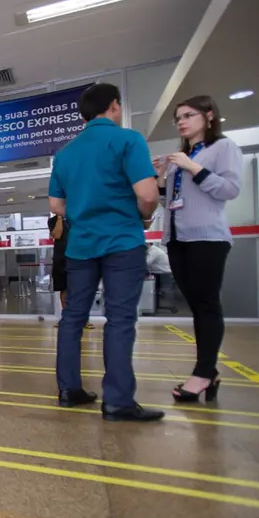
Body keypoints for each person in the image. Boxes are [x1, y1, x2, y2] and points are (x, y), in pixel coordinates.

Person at [48, 82, 163, 422]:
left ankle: (69, 390)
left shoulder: (65, 153)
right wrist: (142, 215)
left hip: (81, 246)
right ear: (114, 105)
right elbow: (148, 194)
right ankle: (117, 401)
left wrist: (84, 211)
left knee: (72, 318)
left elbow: (56, 204)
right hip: (121, 242)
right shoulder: (128, 140)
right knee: (121, 319)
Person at [157, 95, 242, 403]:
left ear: (208, 116)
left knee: (207, 304)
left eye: (188, 115)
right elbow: (173, 200)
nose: (181, 121)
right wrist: (163, 178)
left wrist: (193, 167)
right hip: (177, 238)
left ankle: (204, 373)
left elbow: (229, 189)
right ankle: (209, 370)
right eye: (178, 117)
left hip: (207, 237)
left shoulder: (223, 148)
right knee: (196, 305)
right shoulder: (183, 155)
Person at [48, 215, 95, 330]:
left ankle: (84, 319)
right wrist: (59, 218)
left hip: (79, 257)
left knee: (81, 289)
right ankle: (67, 318)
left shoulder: (78, 216)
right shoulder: (52, 220)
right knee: (64, 288)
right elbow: (57, 234)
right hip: (61, 259)